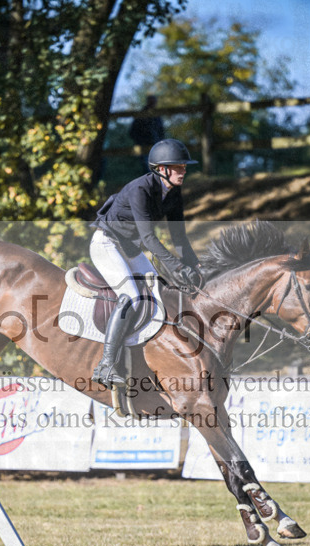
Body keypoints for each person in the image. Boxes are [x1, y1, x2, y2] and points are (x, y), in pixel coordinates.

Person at [89, 138, 203, 388]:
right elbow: (149, 238)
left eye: (184, 167)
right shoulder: (140, 189)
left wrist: (194, 267)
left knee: (158, 290)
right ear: (161, 169)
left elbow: (179, 237)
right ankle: (106, 365)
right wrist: (177, 267)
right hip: (106, 244)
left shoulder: (173, 194)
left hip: (129, 247)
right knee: (130, 296)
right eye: (179, 167)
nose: (184, 171)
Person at [129, 95, 165, 172]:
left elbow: (161, 131)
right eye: (151, 102)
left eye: (154, 102)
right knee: (147, 167)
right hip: (143, 144)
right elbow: (132, 131)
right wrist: (139, 141)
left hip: (155, 144)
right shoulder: (141, 115)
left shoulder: (157, 116)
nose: (153, 104)